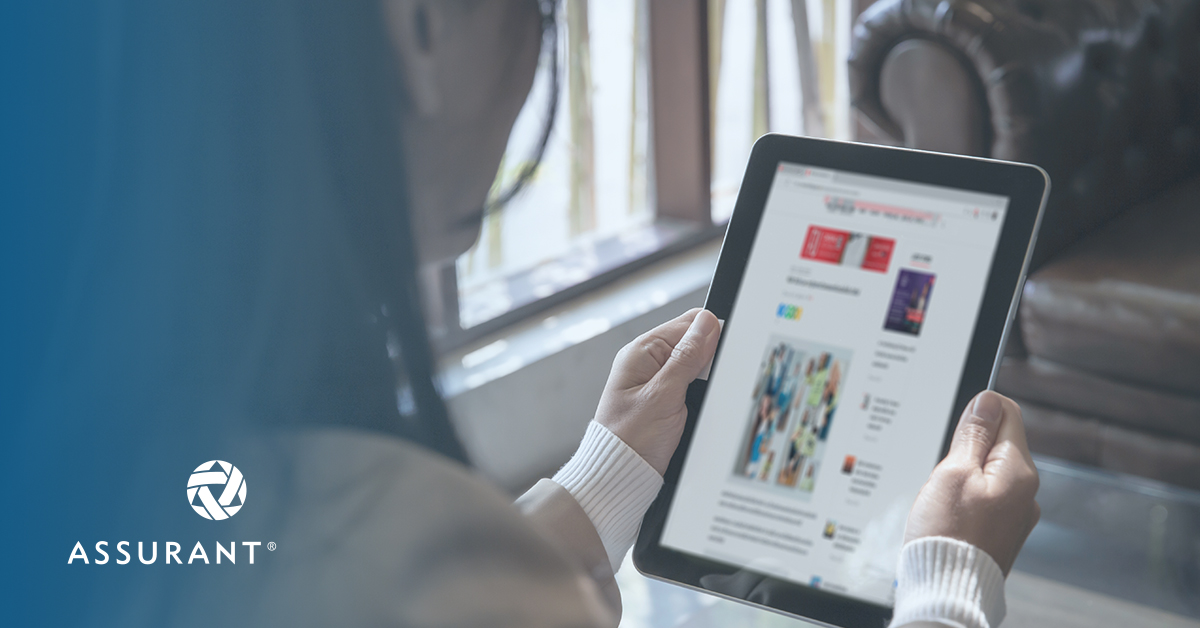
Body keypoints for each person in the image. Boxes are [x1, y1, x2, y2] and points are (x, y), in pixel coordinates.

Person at [5, 2, 1040, 628]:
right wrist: (952, 578)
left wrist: (603, 480)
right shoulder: (393, 550)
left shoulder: (89, 458)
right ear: (419, 28)